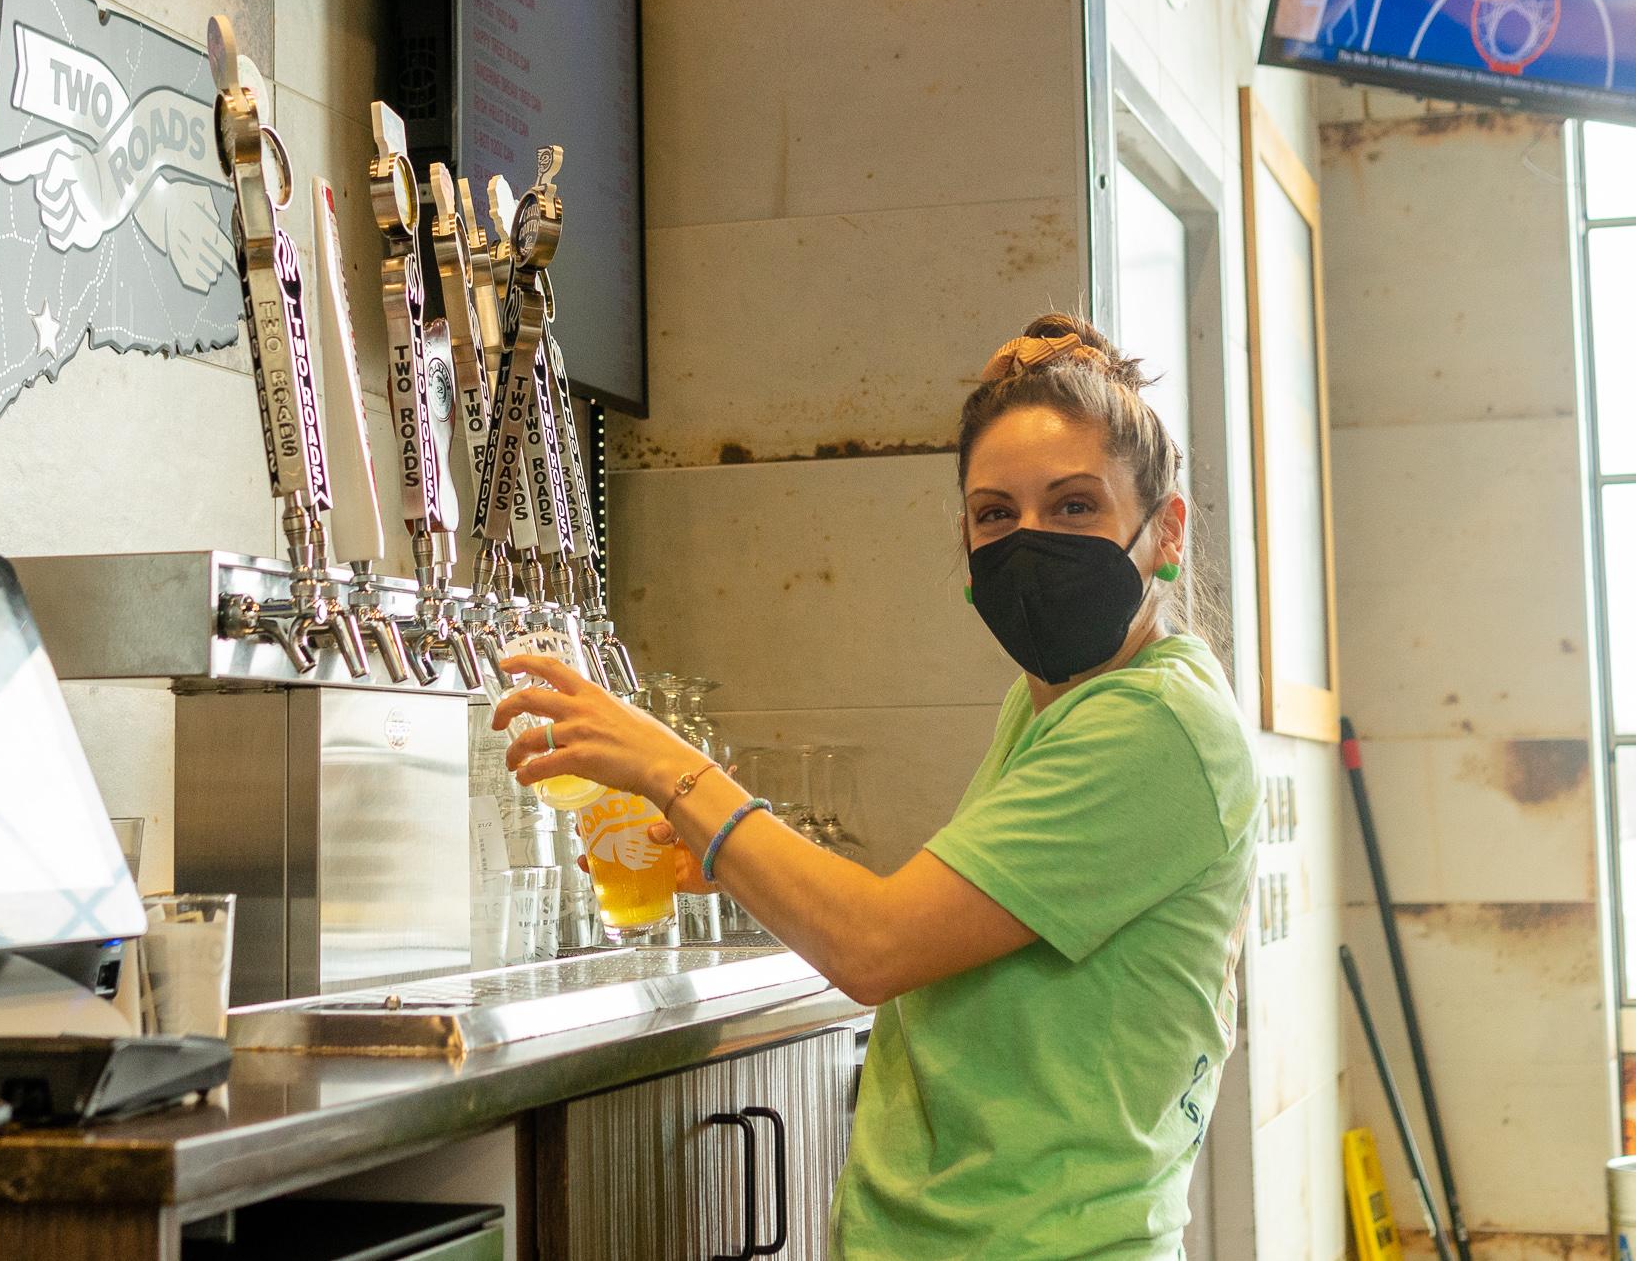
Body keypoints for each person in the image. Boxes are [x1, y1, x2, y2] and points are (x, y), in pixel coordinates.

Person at [496, 313, 1261, 1258]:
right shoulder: (1059, 702)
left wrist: (667, 766)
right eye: (995, 514)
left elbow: (875, 944)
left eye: (1073, 507)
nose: (1029, 542)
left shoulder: (1151, 724)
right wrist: (732, 859)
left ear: (1165, 529)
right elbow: (949, 919)